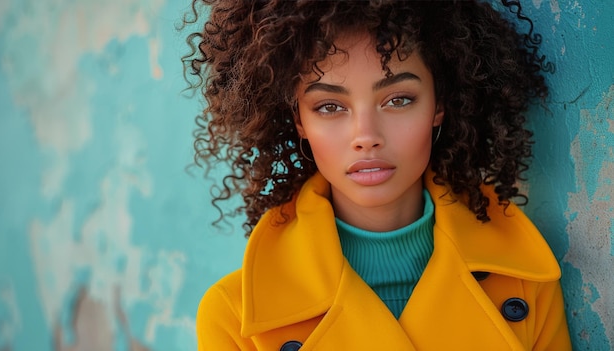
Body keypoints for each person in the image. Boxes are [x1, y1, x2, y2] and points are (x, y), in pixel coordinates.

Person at [184, 0, 571, 349]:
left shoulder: (525, 279)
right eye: (330, 106)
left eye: (398, 100)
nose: (366, 137)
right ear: (298, 121)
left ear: (439, 105)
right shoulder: (236, 320)